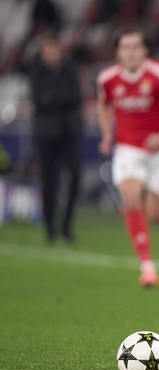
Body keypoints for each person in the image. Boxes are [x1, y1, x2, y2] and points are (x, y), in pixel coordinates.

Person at [97, 26, 159, 287]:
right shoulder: (107, 79)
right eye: (125, 47)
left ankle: (137, 220)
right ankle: (148, 268)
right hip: (129, 148)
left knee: (156, 214)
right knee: (131, 197)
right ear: (118, 51)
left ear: (145, 50)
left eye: (135, 47)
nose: (130, 52)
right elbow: (103, 105)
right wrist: (107, 134)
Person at [30, 34, 82, 244]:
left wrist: (52, 97)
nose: (50, 56)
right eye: (47, 52)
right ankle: (50, 228)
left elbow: (75, 96)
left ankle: (67, 225)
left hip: (69, 132)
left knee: (75, 178)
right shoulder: (37, 73)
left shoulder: (69, 70)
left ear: (60, 51)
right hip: (47, 134)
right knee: (49, 182)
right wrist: (60, 98)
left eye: (54, 51)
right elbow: (39, 100)